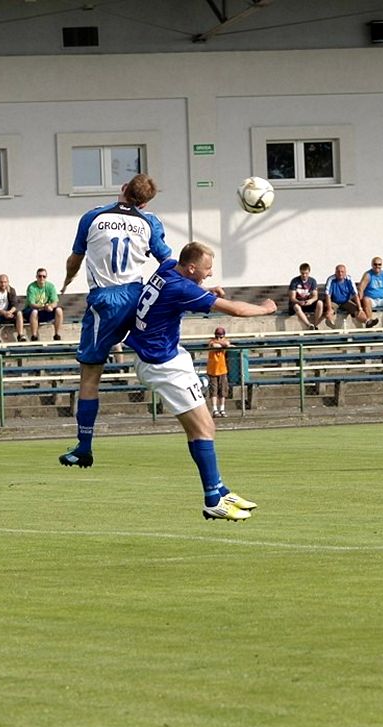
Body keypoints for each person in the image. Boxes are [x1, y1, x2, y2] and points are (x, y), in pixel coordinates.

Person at [125, 242, 276, 520]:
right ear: (191, 267)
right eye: (206, 269)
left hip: (166, 356)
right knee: (204, 428)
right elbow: (236, 310)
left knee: (204, 427)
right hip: (163, 364)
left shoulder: (170, 267)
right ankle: (212, 499)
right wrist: (266, 308)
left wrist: (204, 291)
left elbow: (174, 297)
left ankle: (219, 490)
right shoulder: (181, 288)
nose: (209, 274)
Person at [58, 173, 172, 468]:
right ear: (145, 203)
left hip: (106, 301)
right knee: (162, 354)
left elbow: (75, 258)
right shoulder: (150, 222)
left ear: (122, 189)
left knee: (90, 375)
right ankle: (194, 386)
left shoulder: (92, 217)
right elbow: (168, 262)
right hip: (138, 296)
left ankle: (84, 446)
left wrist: (68, 280)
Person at [324, 264, 374, 328]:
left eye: (342, 272)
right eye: (338, 271)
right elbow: (327, 295)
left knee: (358, 311)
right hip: (334, 301)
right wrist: (329, 308)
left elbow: (355, 294)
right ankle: (332, 325)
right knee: (329, 312)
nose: (340, 273)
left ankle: (367, 322)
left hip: (346, 301)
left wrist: (360, 308)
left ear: (345, 272)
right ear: (335, 272)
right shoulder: (331, 279)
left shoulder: (349, 279)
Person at [23, 268, 64, 341]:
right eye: (39, 276)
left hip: (45, 311)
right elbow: (32, 304)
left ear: (46, 277)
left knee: (59, 310)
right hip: (31, 311)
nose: (42, 278)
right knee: (34, 311)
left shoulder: (50, 286)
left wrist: (50, 306)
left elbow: (55, 302)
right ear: (36, 277)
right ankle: (34, 336)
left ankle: (57, 334)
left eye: (44, 276)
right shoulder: (32, 287)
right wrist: (44, 307)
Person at [0, 274, 25, 343]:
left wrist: (10, 312)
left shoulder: (11, 290)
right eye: (1, 282)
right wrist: (3, 312)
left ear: (8, 282)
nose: (3, 284)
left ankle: (20, 335)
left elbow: (15, 304)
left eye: (5, 282)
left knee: (19, 313)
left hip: (8, 313)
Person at [288, 262, 324, 330]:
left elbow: (315, 296)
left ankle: (315, 325)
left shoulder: (312, 281)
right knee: (296, 306)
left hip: (308, 302)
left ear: (309, 272)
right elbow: (292, 297)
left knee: (320, 303)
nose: (304, 275)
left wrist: (311, 301)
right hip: (298, 303)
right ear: (300, 272)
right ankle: (308, 325)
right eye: (302, 273)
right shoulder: (295, 281)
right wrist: (299, 302)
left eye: (306, 273)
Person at [358, 256, 383, 325]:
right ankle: (370, 321)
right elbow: (361, 289)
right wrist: (360, 303)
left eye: (379, 264)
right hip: (372, 301)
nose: (377, 266)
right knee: (365, 299)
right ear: (372, 265)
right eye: (375, 264)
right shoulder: (368, 275)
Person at [206, 326, 231, 418]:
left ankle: (222, 409)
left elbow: (227, 344)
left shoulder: (225, 341)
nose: (219, 338)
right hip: (212, 370)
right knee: (214, 391)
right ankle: (215, 410)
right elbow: (214, 345)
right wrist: (221, 343)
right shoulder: (211, 341)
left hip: (222, 369)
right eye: (217, 336)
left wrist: (224, 343)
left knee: (223, 391)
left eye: (221, 337)